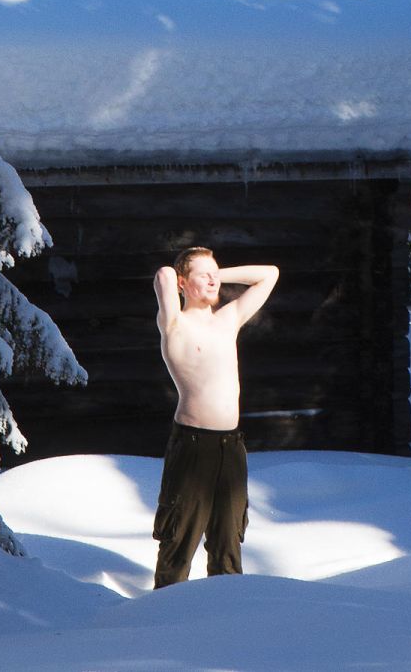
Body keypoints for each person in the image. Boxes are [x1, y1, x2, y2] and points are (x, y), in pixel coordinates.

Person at [151, 247, 279, 588]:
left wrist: (216, 274)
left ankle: (225, 619)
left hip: (231, 446)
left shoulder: (229, 319)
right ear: (183, 282)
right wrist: (182, 275)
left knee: (228, 540)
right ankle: (163, 617)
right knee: (178, 541)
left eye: (216, 272)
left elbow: (270, 274)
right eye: (203, 274)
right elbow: (163, 274)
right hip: (192, 446)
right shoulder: (175, 324)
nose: (213, 278)